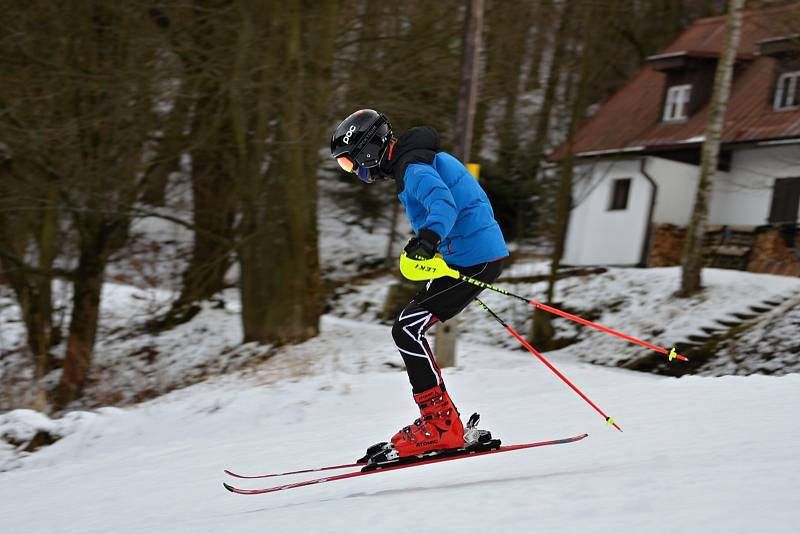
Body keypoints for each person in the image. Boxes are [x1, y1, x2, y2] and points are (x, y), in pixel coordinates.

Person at [330, 109, 509, 461]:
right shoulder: (413, 162)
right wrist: (434, 246)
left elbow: (443, 203)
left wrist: (429, 237)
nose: (355, 172)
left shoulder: (412, 167)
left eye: (350, 164)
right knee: (408, 327)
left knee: (407, 329)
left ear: (369, 149)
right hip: (466, 254)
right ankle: (443, 423)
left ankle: (440, 426)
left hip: (473, 256)